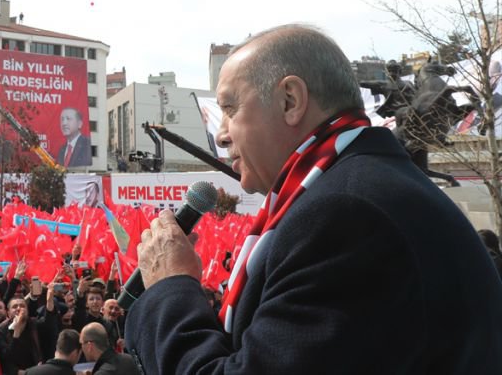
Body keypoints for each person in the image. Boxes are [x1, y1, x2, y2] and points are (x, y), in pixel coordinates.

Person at [125, 24, 502, 373]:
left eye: (229, 109)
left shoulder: (346, 214)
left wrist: (169, 287)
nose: (222, 136)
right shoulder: (361, 187)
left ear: (291, 100)